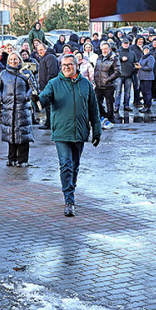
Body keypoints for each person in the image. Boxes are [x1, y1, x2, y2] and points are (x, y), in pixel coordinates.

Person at [34, 54, 101, 217]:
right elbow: (44, 99)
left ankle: (71, 188)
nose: (66, 67)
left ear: (76, 65)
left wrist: (97, 129)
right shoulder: (54, 83)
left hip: (80, 131)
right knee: (65, 164)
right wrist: (36, 101)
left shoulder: (85, 84)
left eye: (69, 64)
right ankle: (69, 200)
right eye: (63, 65)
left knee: (74, 166)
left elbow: (94, 108)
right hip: (62, 131)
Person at [0, 52, 36, 167]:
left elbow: (32, 87)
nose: (13, 61)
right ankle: (11, 158)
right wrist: (1, 98)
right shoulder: (3, 74)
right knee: (11, 134)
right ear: (8, 61)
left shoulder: (26, 73)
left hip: (22, 107)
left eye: (15, 59)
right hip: (8, 107)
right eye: (11, 59)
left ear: (19, 60)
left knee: (23, 134)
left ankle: (23, 159)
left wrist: (27, 96)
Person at [93, 42, 120, 127]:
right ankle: (104, 116)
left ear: (109, 49)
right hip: (98, 84)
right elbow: (96, 69)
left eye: (106, 49)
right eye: (103, 49)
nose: (104, 51)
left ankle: (111, 119)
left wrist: (108, 80)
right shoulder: (99, 57)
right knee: (95, 101)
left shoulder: (114, 58)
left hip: (108, 85)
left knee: (109, 103)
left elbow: (118, 72)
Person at [35, 43, 59, 130]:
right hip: (44, 86)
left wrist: (48, 86)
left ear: (45, 49)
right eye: (38, 51)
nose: (40, 52)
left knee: (51, 106)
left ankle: (51, 123)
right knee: (48, 107)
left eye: (41, 50)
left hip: (49, 86)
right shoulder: (43, 58)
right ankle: (49, 123)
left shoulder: (50, 57)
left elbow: (52, 73)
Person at [115, 38, 138, 112]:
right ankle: (116, 106)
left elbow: (136, 62)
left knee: (127, 92)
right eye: (124, 43)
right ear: (122, 44)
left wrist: (134, 69)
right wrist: (121, 59)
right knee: (118, 92)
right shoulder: (118, 52)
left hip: (129, 75)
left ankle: (126, 105)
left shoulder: (132, 53)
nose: (126, 45)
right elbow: (114, 59)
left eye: (127, 43)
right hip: (119, 75)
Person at [137, 45, 155, 113]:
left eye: (147, 50)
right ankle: (145, 105)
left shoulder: (150, 58)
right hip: (142, 77)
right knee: (143, 92)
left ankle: (148, 106)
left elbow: (150, 67)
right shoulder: (142, 57)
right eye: (145, 50)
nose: (146, 51)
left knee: (147, 92)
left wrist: (141, 67)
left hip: (148, 77)